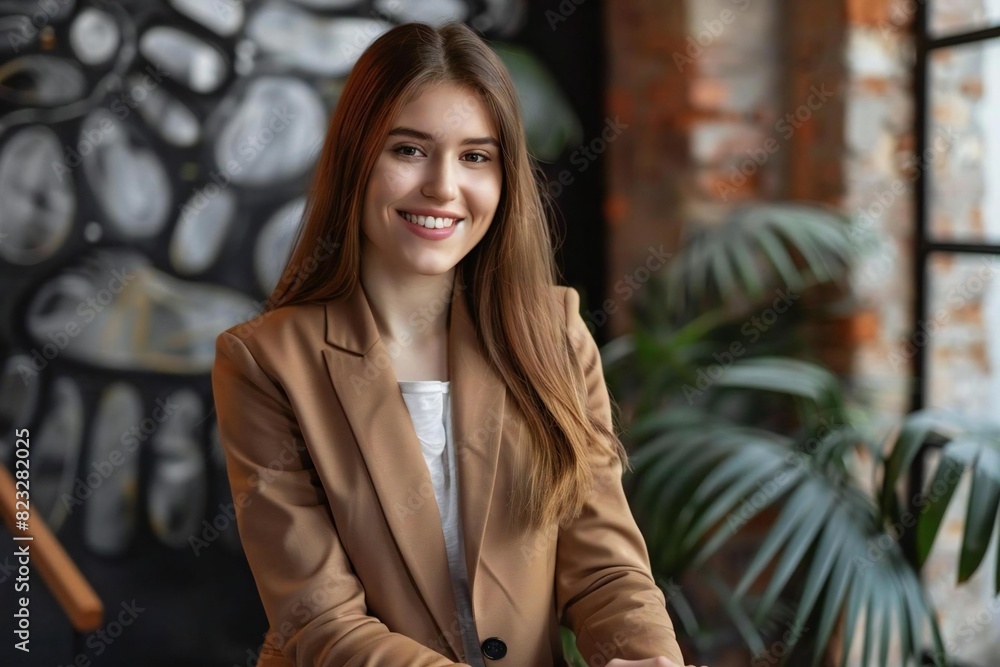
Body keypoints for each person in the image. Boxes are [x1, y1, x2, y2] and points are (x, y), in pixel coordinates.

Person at [212, 21, 703, 667]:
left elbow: (606, 571)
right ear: (357, 158)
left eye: (476, 156)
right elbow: (321, 622)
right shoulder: (265, 361)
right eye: (409, 150)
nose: (443, 186)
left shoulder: (551, 332)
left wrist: (649, 659)